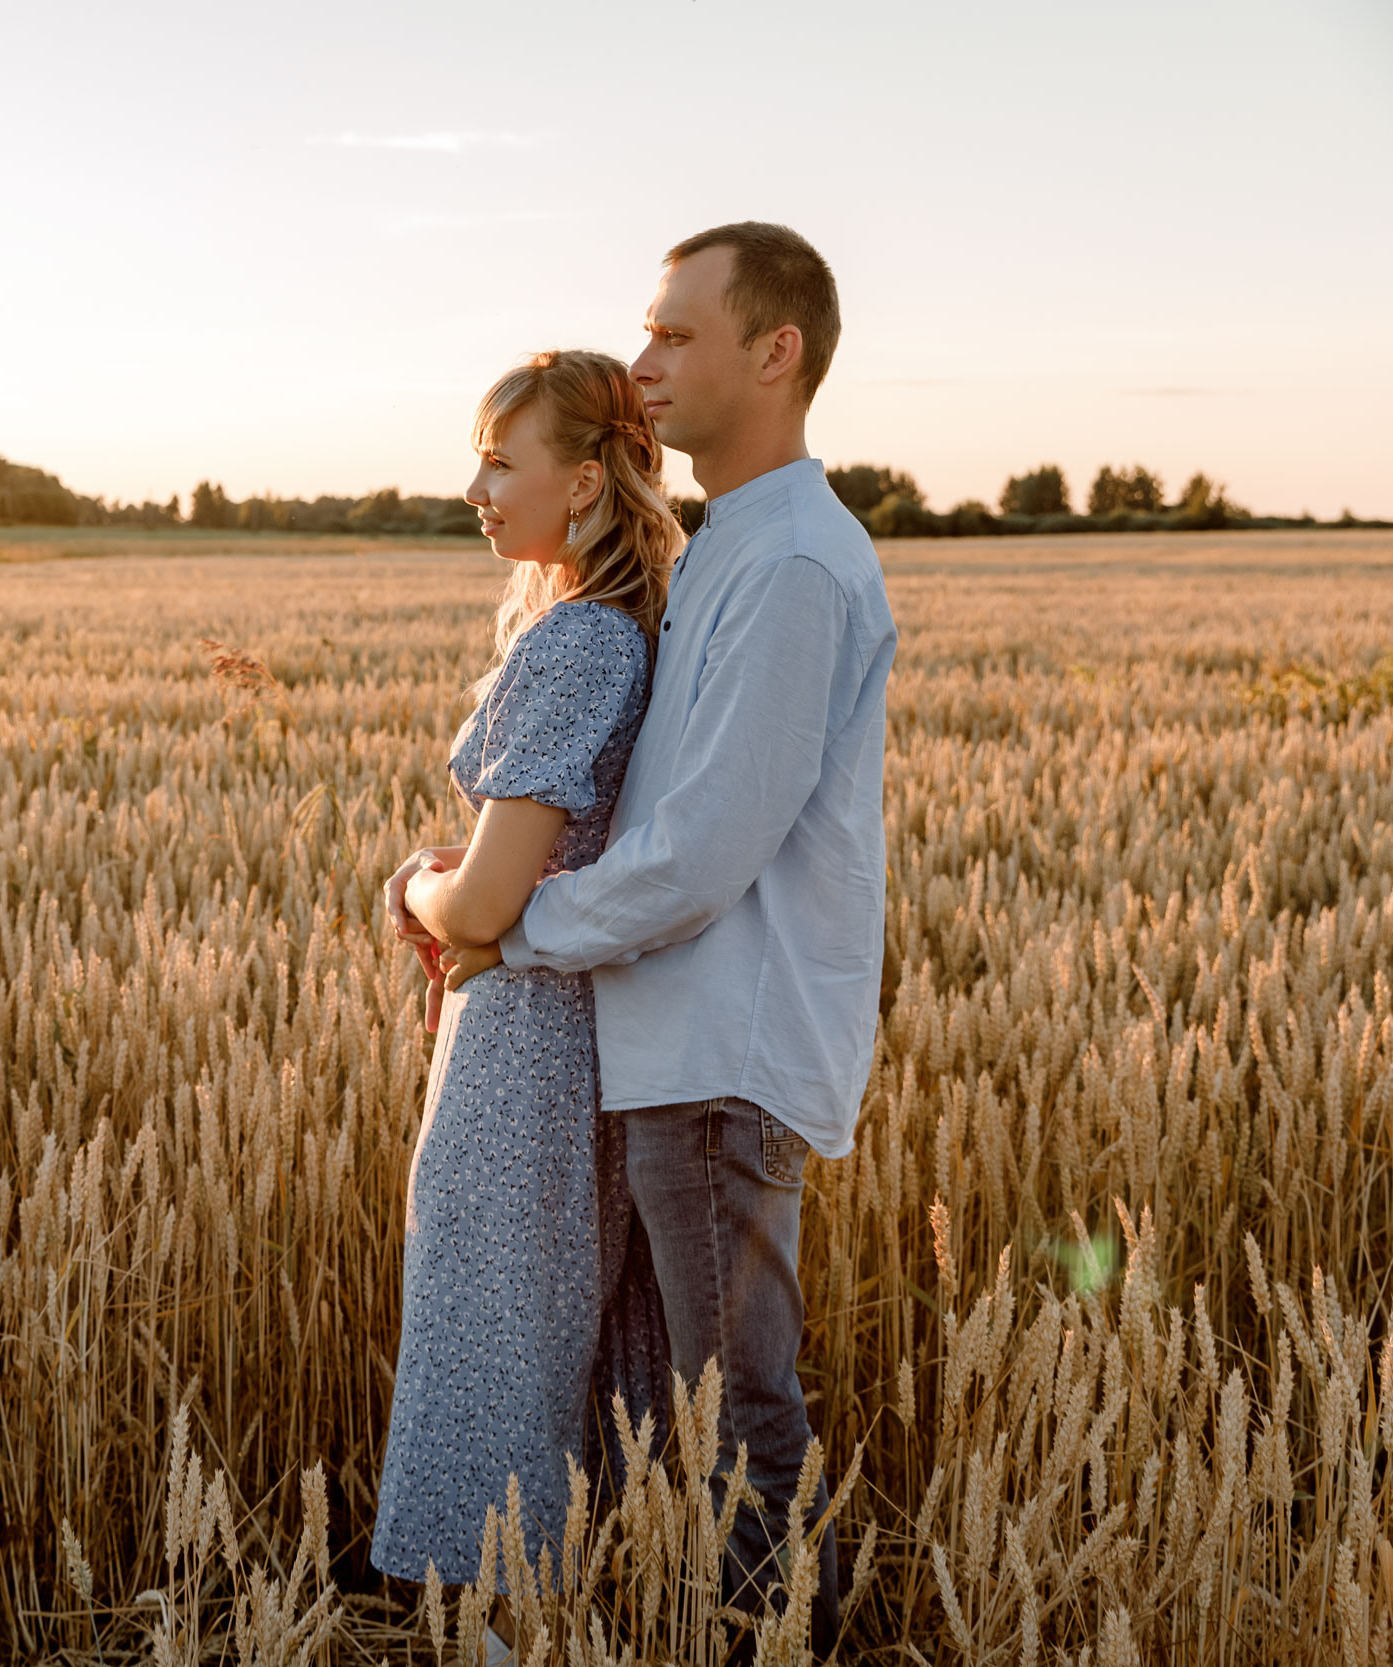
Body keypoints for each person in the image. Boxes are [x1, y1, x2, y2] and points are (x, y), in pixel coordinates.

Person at [437, 222, 895, 1651]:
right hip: (675, 1046)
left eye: (678, 333)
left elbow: (702, 853)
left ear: (778, 352)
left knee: (737, 1420)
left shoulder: (792, 566)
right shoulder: (726, 552)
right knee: (681, 1411)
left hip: (718, 1053)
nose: (643, 363)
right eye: (646, 331)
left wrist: (509, 930)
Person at [367, 349, 682, 1638]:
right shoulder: (634, 627)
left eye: (503, 461)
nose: (477, 490)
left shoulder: (575, 639)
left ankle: (504, 1637)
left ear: (589, 480)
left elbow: (490, 905)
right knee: (557, 1353)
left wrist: (416, 890)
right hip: (587, 1027)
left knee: (494, 1357)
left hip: (524, 1049)